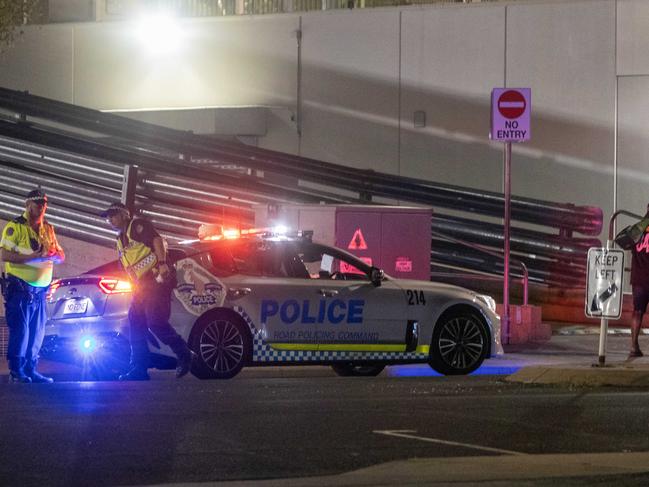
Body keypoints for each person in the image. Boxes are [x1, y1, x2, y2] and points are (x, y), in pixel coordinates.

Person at [100, 202, 195, 380]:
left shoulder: (136, 226)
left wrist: (162, 263)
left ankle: (184, 353)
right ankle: (138, 368)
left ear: (124, 214)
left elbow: (157, 240)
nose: (110, 220)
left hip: (156, 280)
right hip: (141, 287)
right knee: (135, 322)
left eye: (113, 215)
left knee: (155, 322)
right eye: (108, 217)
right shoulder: (120, 239)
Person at [1, 189, 65, 383]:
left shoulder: (48, 228)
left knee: (37, 331)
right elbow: (5, 255)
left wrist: (54, 255)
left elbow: (62, 256)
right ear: (27, 204)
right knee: (21, 330)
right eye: (37, 203)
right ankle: (17, 370)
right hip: (20, 288)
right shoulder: (15, 227)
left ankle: (31, 369)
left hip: (40, 290)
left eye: (44, 203)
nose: (41, 207)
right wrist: (32, 257)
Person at [630, 203, 649, 357]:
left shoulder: (637, 230)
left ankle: (633, 346)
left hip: (638, 278)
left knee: (637, 312)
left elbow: (625, 244)